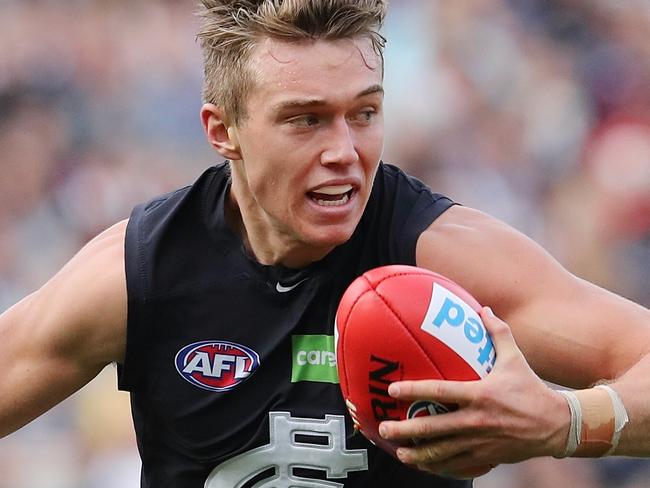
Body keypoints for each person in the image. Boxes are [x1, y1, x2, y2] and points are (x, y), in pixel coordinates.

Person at [1, 0, 649, 486]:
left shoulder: (443, 257)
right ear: (222, 130)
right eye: (305, 119)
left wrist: (562, 423)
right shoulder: (143, 270)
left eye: (363, 113)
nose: (344, 151)